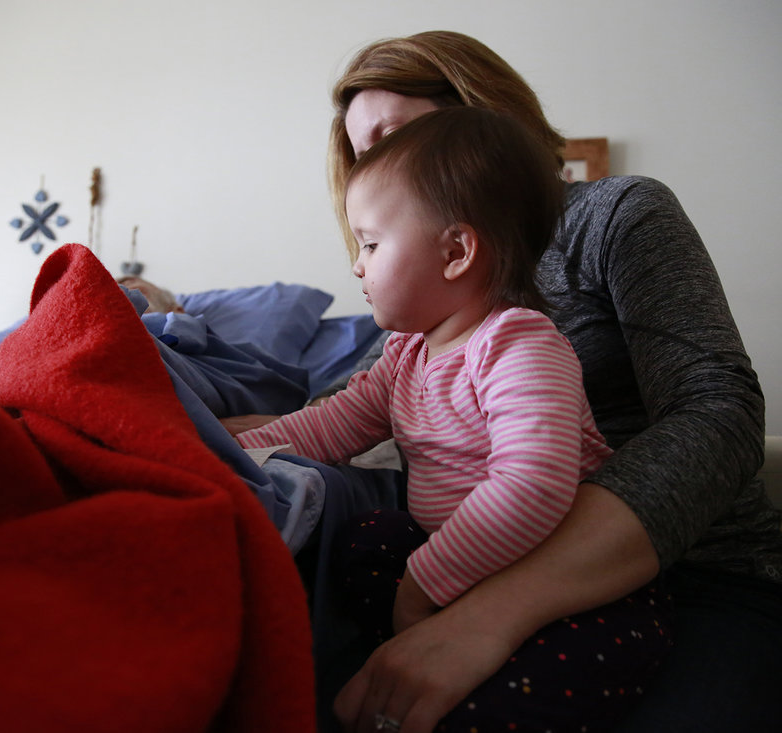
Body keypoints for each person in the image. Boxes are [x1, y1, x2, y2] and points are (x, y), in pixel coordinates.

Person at [304, 30, 782, 733]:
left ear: (477, 111)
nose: (379, 165)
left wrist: (493, 610)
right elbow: (355, 406)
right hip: (478, 575)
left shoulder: (615, 214)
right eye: (362, 154)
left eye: (393, 134)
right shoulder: (423, 305)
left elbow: (718, 413)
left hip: (700, 575)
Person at [228, 105, 673, 732]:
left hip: (575, 587)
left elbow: (534, 484)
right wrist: (238, 449)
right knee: (366, 540)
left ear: (457, 250)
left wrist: (425, 584)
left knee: (513, 702)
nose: (358, 265)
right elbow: (333, 425)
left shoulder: (518, 344)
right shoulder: (407, 353)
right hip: (456, 567)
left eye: (373, 244)